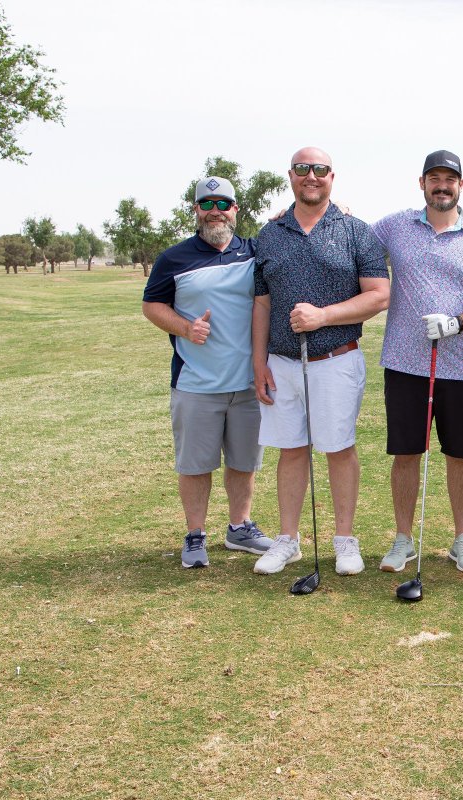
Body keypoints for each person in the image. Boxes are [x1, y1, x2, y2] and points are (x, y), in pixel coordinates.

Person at [249, 147, 389, 576]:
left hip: (336, 360)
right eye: (303, 169)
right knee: (291, 451)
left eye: (320, 170)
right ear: (291, 176)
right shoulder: (269, 235)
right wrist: (258, 362)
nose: (312, 176)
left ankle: (345, 540)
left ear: (333, 176)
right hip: (282, 363)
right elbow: (261, 303)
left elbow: (379, 295)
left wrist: (324, 316)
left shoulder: (355, 231)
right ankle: (287, 539)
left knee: (338, 449)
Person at [373, 150, 463, 574]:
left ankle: (462, 539)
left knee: (460, 455)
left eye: (450, 179)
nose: (442, 186)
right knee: (406, 453)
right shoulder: (395, 227)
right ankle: (403, 539)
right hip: (406, 363)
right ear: (422, 183)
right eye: (434, 178)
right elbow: (352, 242)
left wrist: (456, 324)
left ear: (461, 186)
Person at [141, 176, 274, 569]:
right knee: (195, 465)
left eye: (223, 204)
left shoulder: (254, 252)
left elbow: (290, 231)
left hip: (249, 383)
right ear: (196, 211)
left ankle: (239, 528)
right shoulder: (174, 259)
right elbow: (152, 305)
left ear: (235, 210)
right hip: (196, 383)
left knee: (243, 462)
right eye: (207, 204)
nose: (215, 211)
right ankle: (195, 535)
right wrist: (185, 328)